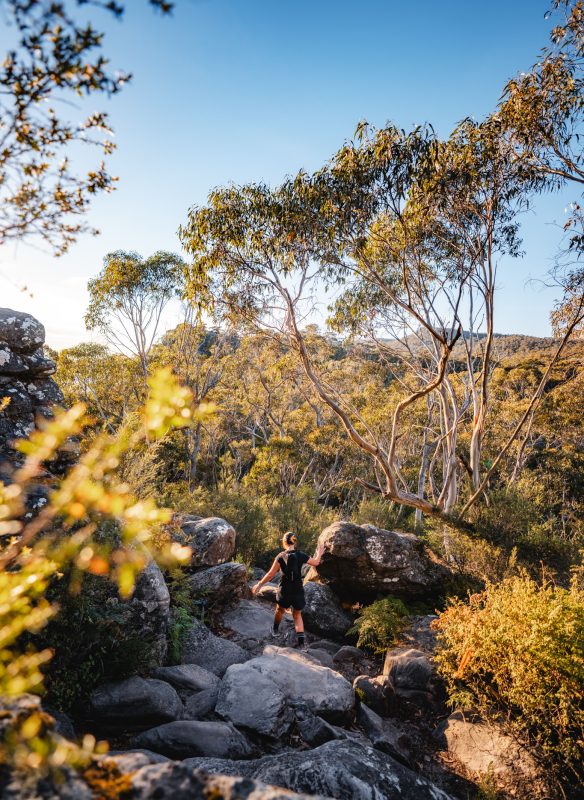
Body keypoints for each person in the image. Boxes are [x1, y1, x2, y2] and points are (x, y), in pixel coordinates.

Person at [252, 531, 325, 648]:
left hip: (284, 589)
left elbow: (271, 574)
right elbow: (316, 562)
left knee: (280, 610)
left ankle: (275, 630)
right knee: (297, 615)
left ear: (284, 542)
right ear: (294, 542)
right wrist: (319, 553)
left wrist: (259, 585)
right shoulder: (301, 555)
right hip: (297, 589)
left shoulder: (280, 556)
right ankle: (302, 645)